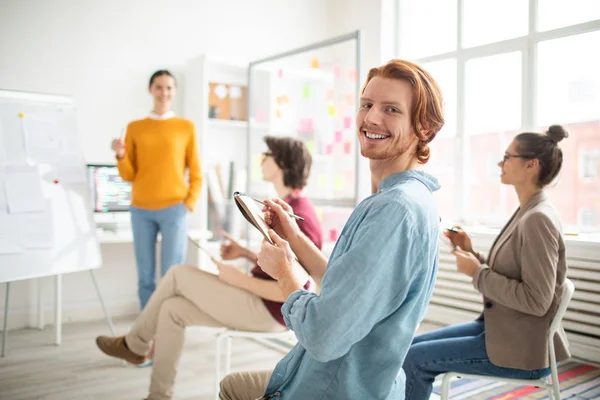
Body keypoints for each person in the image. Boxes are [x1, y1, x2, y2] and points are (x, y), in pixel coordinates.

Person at [219, 58, 445, 400]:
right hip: (357, 381)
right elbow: (344, 288)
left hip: (333, 387)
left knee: (232, 388)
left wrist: (284, 273)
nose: (371, 118)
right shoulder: (410, 199)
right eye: (367, 105)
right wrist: (294, 238)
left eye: (391, 110)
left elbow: (324, 336)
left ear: (424, 128)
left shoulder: (394, 210)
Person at [95, 136, 323, 400]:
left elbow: (291, 290)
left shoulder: (298, 217)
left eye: (266, 156)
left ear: (281, 163)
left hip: (269, 312)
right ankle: (158, 395)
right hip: (259, 303)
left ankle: (135, 345)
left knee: (178, 275)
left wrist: (237, 279)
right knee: (172, 309)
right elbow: (283, 264)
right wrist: (245, 254)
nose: (262, 161)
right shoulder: (290, 208)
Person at [402, 125, 571, 399]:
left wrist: (477, 273)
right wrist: (472, 253)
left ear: (531, 164)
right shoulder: (528, 211)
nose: (500, 162)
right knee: (410, 348)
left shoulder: (537, 219)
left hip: (521, 350)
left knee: (415, 360)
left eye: (507, 156)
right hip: (499, 330)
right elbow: (516, 272)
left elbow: (538, 301)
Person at [111, 70, 202, 310]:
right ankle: (146, 332)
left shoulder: (186, 127)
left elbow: (196, 173)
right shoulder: (135, 128)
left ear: (175, 91)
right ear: (150, 90)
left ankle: (168, 326)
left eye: (169, 88)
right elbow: (129, 175)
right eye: (159, 87)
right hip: (141, 210)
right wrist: (120, 155)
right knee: (145, 275)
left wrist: (188, 204)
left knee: (172, 274)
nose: (164, 92)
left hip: (175, 209)